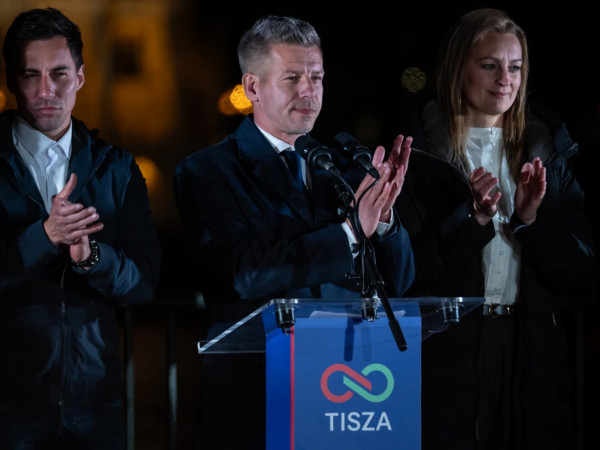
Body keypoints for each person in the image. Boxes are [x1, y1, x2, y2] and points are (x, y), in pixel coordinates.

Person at [174, 15, 415, 449]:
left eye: (316, 77)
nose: (309, 91)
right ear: (252, 87)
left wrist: (383, 222)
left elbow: (399, 282)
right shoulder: (207, 171)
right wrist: (349, 234)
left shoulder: (342, 168)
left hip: (347, 393)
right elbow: (242, 273)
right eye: (292, 78)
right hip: (257, 397)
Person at [395, 7, 596, 450]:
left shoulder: (550, 153)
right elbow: (409, 274)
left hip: (529, 348)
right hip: (448, 350)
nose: (505, 79)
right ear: (458, 70)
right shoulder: (421, 156)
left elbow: (580, 272)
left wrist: (531, 221)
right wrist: (475, 219)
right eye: (489, 65)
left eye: (515, 67)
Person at [0, 7, 161, 450]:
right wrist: (44, 237)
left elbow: (144, 283)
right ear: (11, 80)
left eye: (59, 73)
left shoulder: (117, 167)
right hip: (9, 406)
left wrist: (93, 258)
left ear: (80, 77)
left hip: (96, 403)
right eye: (30, 75)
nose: (46, 90)